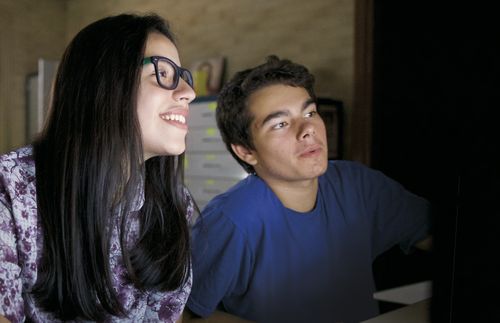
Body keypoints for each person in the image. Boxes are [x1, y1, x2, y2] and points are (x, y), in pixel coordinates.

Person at [184, 56, 432, 323]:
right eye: (280, 124)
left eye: (310, 112)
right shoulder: (231, 219)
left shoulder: (358, 184)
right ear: (246, 151)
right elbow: (183, 314)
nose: (308, 130)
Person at [0, 13, 196, 322]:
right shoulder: (11, 188)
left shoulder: (174, 202)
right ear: (103, 82)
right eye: (163, 72)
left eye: (184, 76)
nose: (188, 92)